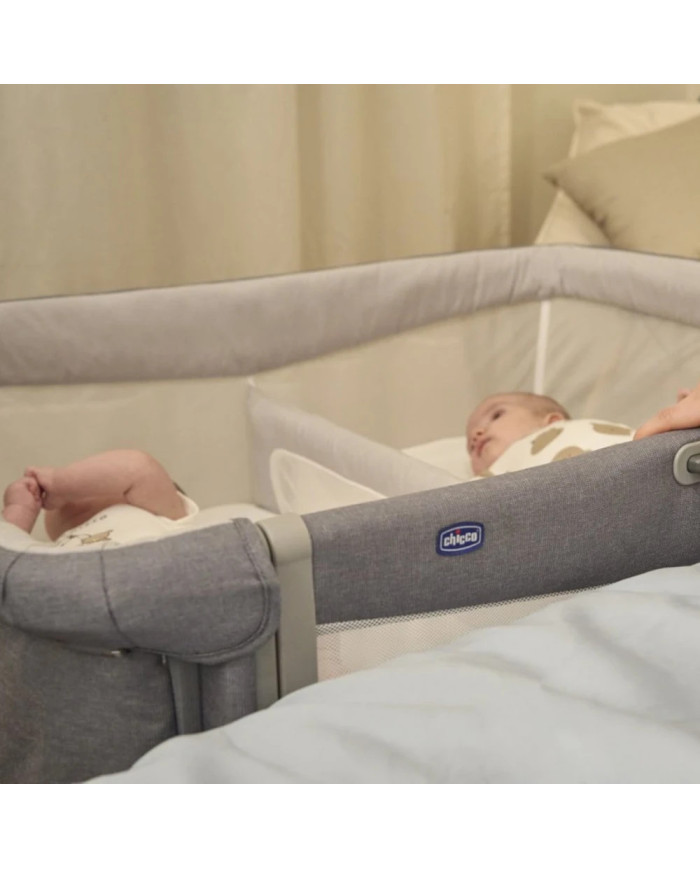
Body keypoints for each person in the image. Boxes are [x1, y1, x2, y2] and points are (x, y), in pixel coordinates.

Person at [1, 449, 195, 548]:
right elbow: (7, 559)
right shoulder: (51, 550)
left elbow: (136, 467)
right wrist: (21, 510)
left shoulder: (168, 514)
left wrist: (58, 481)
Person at [466, 391, 634, 477]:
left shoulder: (571, 430)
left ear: (553, 421)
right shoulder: (489, 482)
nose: (476, 433)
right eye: (470, 447)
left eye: (496, 416)